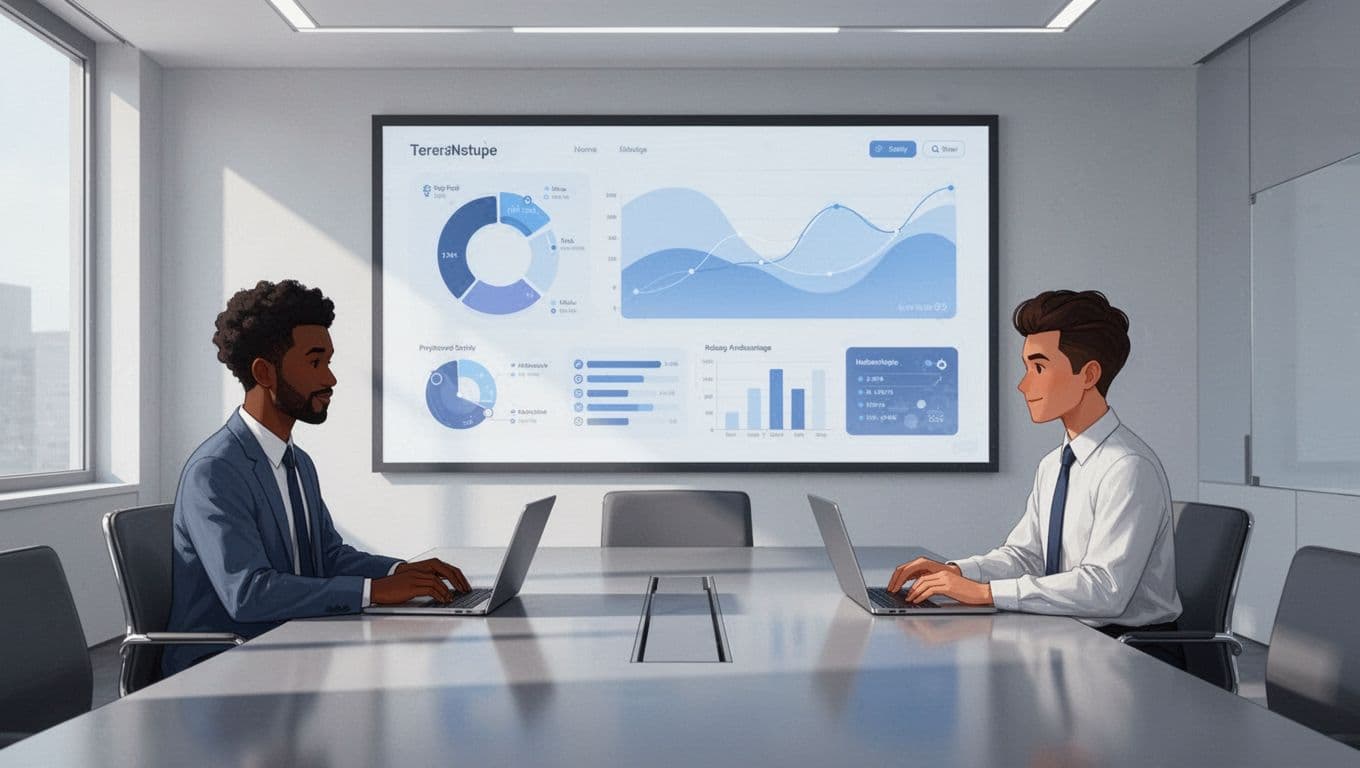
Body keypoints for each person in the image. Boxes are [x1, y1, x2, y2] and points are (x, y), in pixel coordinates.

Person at [163, 279, 471, 676]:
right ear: (265, 372)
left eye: (328, 362)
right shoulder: (216, 471)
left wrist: (400, 572)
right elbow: (247, 593)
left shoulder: (298, 462)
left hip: (290, 647)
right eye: (314, 362)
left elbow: (326, 557)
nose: (330, 379)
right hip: (222, 667)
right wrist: (374, 592)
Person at [885, 289, 1184, 668]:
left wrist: (986, 593)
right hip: (1072, 639)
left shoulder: (1127, 466)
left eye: (1039, 368)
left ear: (1089, 374)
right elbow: (1025, 556)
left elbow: (1105, 591)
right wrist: (958, 572)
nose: (1024, 385)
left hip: (1132, 657)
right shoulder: (1054, 464)